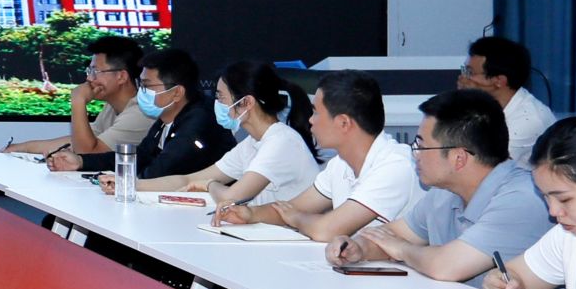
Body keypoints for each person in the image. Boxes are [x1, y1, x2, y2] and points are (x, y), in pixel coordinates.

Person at [329, 89, 552, 284]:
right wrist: (356, 248)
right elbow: (389, 234)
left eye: (421, 145)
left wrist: (401, 249)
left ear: (459, 158)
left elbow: (446, 267)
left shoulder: (523, 198)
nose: (414, 154)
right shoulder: (444, 193)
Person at [218, 70, 420, 241]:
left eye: (316, 113)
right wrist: (250, 213)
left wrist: (295, 218)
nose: (311, 120)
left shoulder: (394, 165)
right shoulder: (340, 163)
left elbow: (327, 229)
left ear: (343, 123)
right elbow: (292, 207)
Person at [136, 60, 318, 207]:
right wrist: (132, 184)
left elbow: (231, 197)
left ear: (246, 103)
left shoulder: (281, 141)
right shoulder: (251, 144)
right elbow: (188, 180)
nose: (216, 103)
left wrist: (210, 184)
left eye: (221, 97)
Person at [485, 118, 576, 289]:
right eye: (546, 197)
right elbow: (522, 278)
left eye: (564, 199)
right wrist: (504, 284)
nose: (553, 212)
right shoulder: (569, 235)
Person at [80, 49, 234, 186]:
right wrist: (81, 161)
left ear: (177, 93)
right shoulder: (166, 116)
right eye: (140, 84)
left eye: (147, 86)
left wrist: (123, 183)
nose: (141, 92)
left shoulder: (200, 122)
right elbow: (141, 156)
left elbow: (160, 171)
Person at [4, 35, 150, 165]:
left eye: (96, 71)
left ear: (121, 77)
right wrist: (21, 148)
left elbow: (87, 154)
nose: (89, 78)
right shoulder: (112, 107)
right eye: (89, 71)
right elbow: (79, 141)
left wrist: (78, 101)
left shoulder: (140, 113)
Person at [458, 36, 556, 168]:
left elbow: (480, 168)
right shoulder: (485, 106)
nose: (463, 78)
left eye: (470, 72)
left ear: (499, 81)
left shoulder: (528, 120)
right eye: (464, 70)